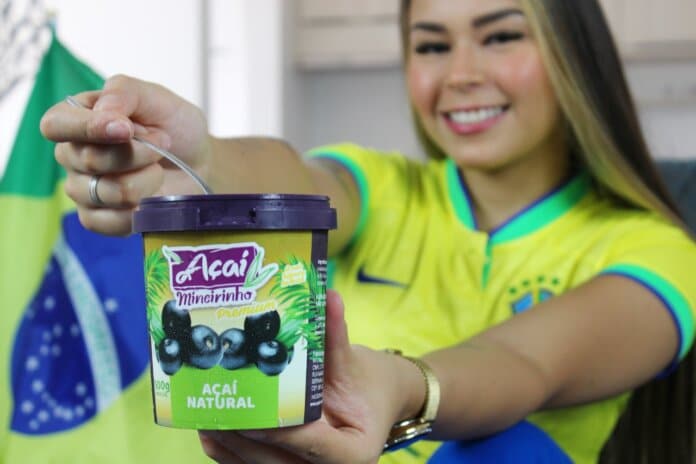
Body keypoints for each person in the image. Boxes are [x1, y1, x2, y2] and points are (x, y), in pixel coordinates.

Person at [39, 0, 696, 463]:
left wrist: (400, 391)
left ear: (576, 57)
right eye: (432, 45)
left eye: (500, 37)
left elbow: (526, 366)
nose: (461, 74)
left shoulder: (658, 252)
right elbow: (296, 183)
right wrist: (203, 157)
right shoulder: (384, 189)